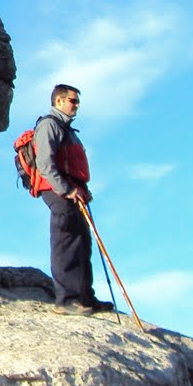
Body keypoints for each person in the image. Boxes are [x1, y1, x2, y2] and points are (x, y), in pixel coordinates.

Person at [31, 84, 114, 314]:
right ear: (58, 101)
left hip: (73, 190)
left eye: (77, 102)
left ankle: (85, 297)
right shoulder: (49, 125)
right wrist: (66, 190)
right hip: (58, 191)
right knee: (66, 240)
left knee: (82, 240)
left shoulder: (66, 129)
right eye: (72, 101)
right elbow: (45, 164)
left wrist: (79, 190)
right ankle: (66, 300)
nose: (76, 106)